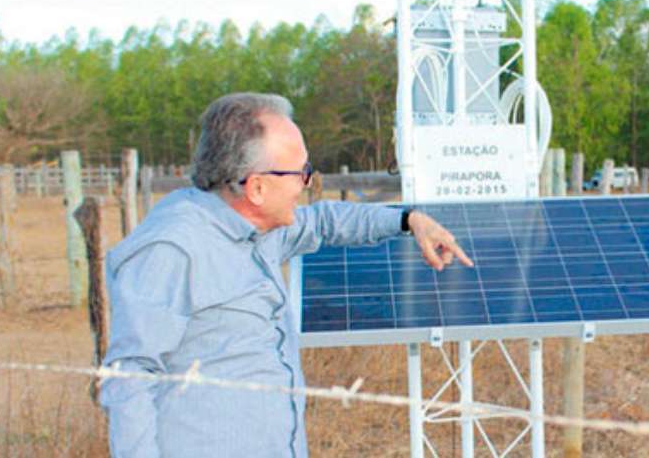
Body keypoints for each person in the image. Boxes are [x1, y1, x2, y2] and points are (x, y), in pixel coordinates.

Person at [100, 92, 473, 458]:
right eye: (301, 173)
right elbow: (130, 376)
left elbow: (327, 222)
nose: (306, 184)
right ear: (257, 187)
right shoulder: (172, 248)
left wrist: (408, 220)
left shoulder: (260, 229)